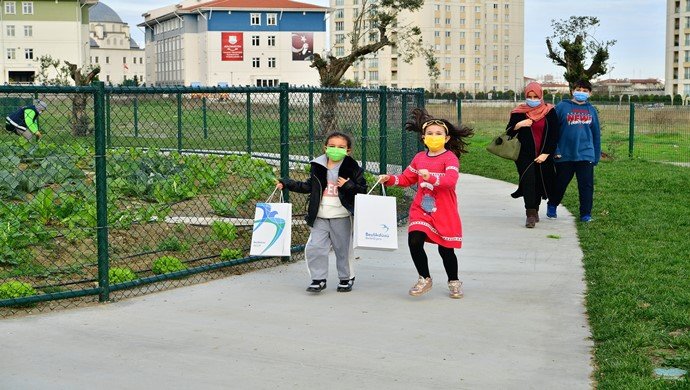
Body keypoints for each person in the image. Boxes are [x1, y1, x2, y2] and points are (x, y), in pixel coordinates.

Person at [379, 108, 473, 299]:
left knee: (446, 249)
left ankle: (453, 280)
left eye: (438, 133)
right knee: (414, 239)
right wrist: (389, 179)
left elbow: (450, 181)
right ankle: (424, 278)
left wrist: (430, 177)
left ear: (446, 138)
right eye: (430, 134)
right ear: (423, 137)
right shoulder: (419, 158)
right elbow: (406, 178)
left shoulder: (449, 158)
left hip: (444, 209)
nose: (434, 136)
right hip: (421, 208)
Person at [277, 131, 367, 293]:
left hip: (342, 216)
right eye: (331, 146)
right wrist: (286, 183)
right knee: (315, 247)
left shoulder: (353, 168)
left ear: (348, 151)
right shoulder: (318, 166)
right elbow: (307, 186)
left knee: (343, 249)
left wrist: (348, 185)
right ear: (325, 148)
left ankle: (346, 278)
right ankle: (318, 279)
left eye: (340, 147)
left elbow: (362, 191)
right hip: (320, 216)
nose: (335, 149)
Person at [506, 82, 560, 228]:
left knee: (539, 182)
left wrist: (546, 153)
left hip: (543, 155)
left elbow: (555, 135)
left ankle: (535, 209)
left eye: (535, 96)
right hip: (524, 155)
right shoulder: (519, 112)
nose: (532, 99)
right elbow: (509, 132)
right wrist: (519, 125)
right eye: (529, 96)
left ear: (541, 95)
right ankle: (530, 214)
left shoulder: (549, 111)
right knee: (528, 180)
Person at [546, 79, 601, 223]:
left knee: (586, 185)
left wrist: (595, 155)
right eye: (578, 90)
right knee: (560, 183)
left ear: (589, 93)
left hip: (585, 153)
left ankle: (585, 214)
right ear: (572, 91)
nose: (581, 93)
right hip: (564, 153)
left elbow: (596, 134)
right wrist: (555, 150)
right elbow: (552, 131)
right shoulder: (562, 107)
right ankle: (552, 204)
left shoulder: (591, 110)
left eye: (585, 91)